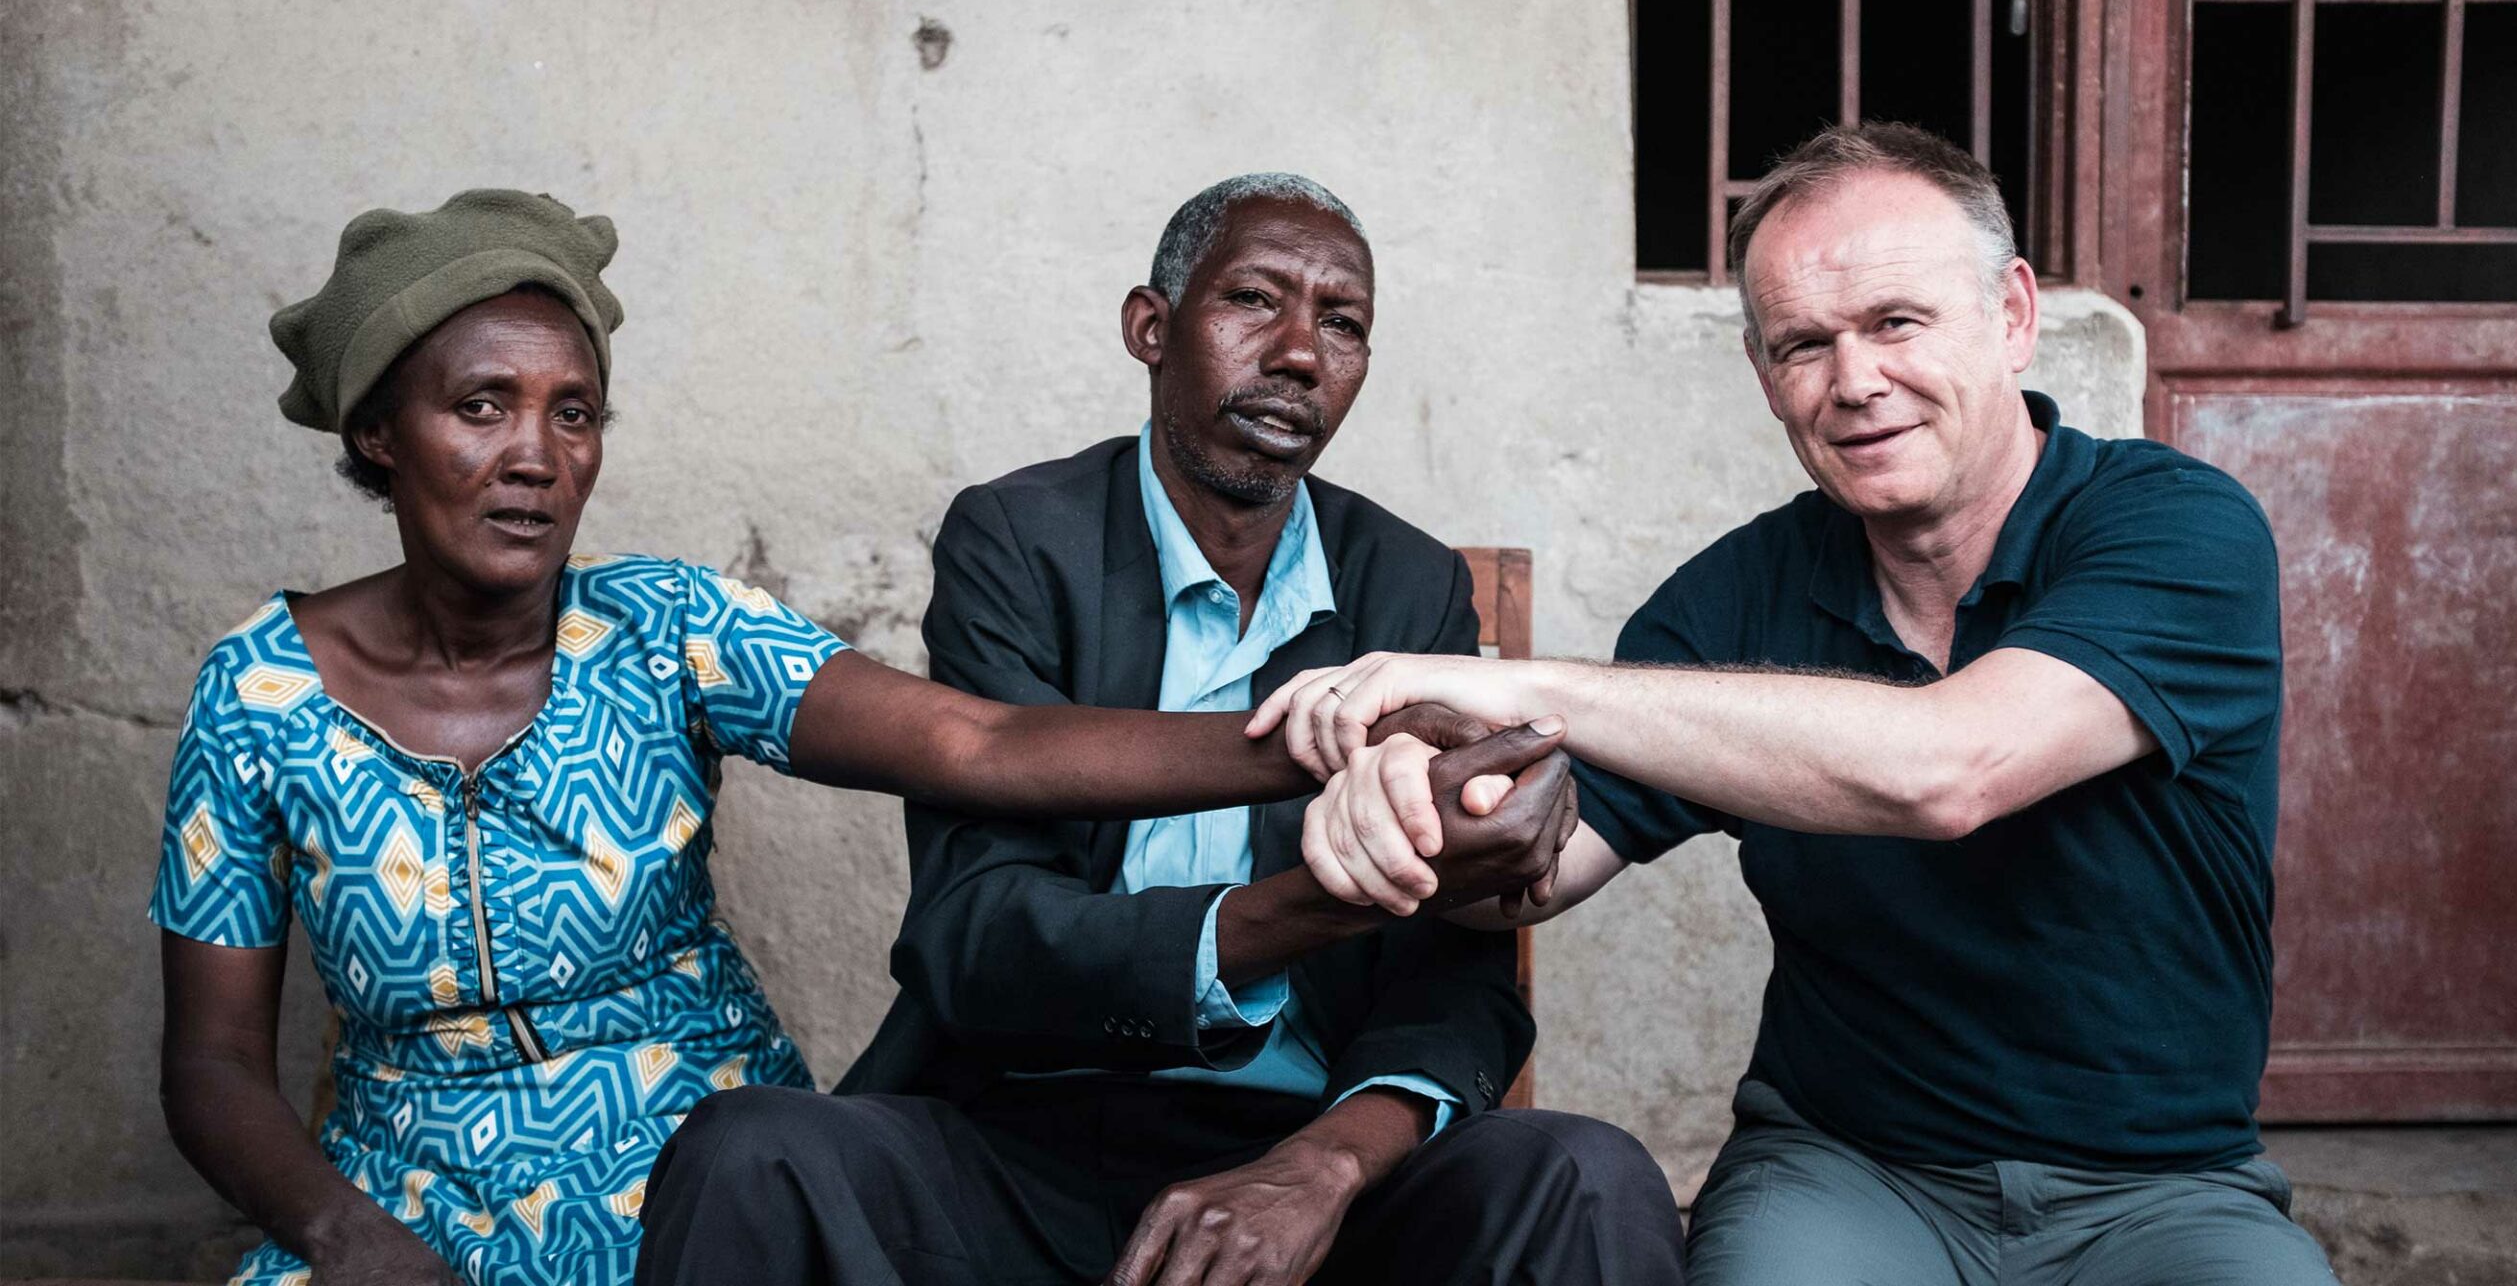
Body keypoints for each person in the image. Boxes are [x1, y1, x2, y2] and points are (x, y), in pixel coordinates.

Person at [151, 189, 1537, 1286]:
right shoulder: (257, 695)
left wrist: (1343, 728)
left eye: (574, 413)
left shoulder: (663, 626)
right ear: (380, 436)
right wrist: (347, 1242)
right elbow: (213, 1065)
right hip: (410, 1193)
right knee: (774, 1169)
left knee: (747, 1172)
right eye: (479, 408)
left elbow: (983, 746)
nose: (536, 455)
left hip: (674, 1162)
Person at [1248, 127, 2341, 1285]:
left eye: (1896, 323)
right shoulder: (1729, 599)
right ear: (1765, 377)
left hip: (2161, 1192)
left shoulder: (2177, 527)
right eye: (1802, 345)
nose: (1855, 382)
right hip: (1848, 1172)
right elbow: (1537, 875)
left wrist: (1514, 679)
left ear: (2012, 315)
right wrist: (1408, 817)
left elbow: (1953, 769)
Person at [636, 174, 1683, 1286]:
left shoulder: (1406, 585)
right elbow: (977, 935)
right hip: (1023, 1145)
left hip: (1310, 1145)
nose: (1296, 353)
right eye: (1253, 300)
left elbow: (1451, 979)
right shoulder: (1020, 542)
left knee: (1584, 1175)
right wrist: (1300, 908)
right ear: (1150, 327)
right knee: (755, 1152)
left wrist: (1321, 1168)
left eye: (1342, 323)